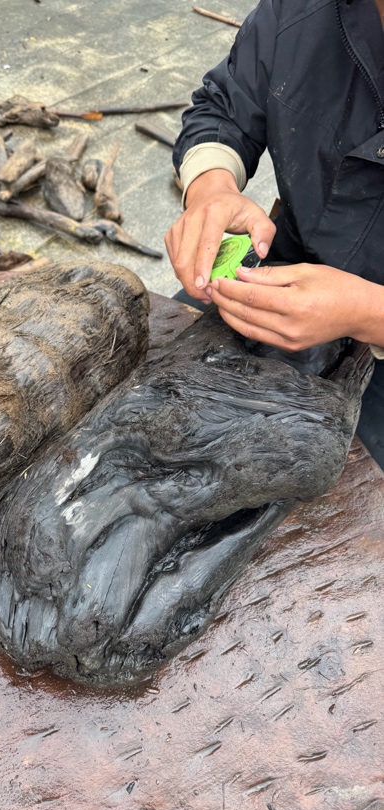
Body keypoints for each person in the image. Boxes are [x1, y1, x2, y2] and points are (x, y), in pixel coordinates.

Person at [165, 0, 384, 468]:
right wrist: (210, 188)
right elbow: (222, 106)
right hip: (277, 265)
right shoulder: (301, 10)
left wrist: (368, 312)